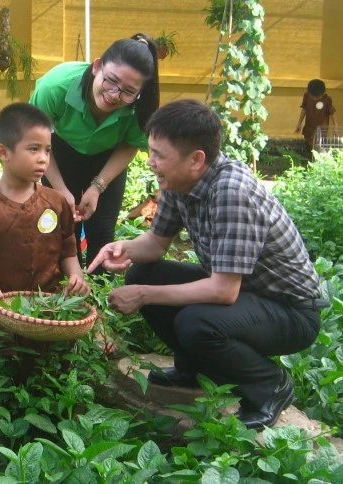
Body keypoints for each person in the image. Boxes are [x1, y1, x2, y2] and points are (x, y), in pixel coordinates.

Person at [88, 99, 326, 431]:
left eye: (159, 155)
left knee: (196, 321)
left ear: (196, 159)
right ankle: (194, 372)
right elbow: (156, 244)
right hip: (244, 292)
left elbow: (223, 291)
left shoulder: (232, 193)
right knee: (143, 271)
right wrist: (122, 248)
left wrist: (143, 295)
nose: (151, 162)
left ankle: (269, 385)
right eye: (151, 151)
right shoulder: (178, 182)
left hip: (291, 311)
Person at [29, 33, 160, 273]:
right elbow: (36, 140)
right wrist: (60, 189)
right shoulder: (56, 85)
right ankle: (69, 289)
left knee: (102, 228)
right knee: (63, 225)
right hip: (58, 151)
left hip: (107, 157)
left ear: (139, 92)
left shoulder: (140, 106)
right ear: (97, 66)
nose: (114, 95)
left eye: (128, 91)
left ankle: (100, 296)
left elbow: (130, 144)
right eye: (111, 81)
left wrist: (97, 186)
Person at [0, 102, 90, 315]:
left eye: (47, 150)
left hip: (51, 308)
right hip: (4, 309)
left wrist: (76, 276)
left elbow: (68, 250)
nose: (43, 158)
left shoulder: (56, 203)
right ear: (3, 152)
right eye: (33, 149)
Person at [295, 79, 337, 152]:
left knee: (318, 146)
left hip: (321, 129)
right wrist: (299, 123)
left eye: (317, 97)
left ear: (323, 93)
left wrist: (335, 126)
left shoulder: (327, 99)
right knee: (308, 144)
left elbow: (332, 112)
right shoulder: (306, 96)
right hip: (309, 126)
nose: (314, 99)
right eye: (312, 97)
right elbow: (304, 109)